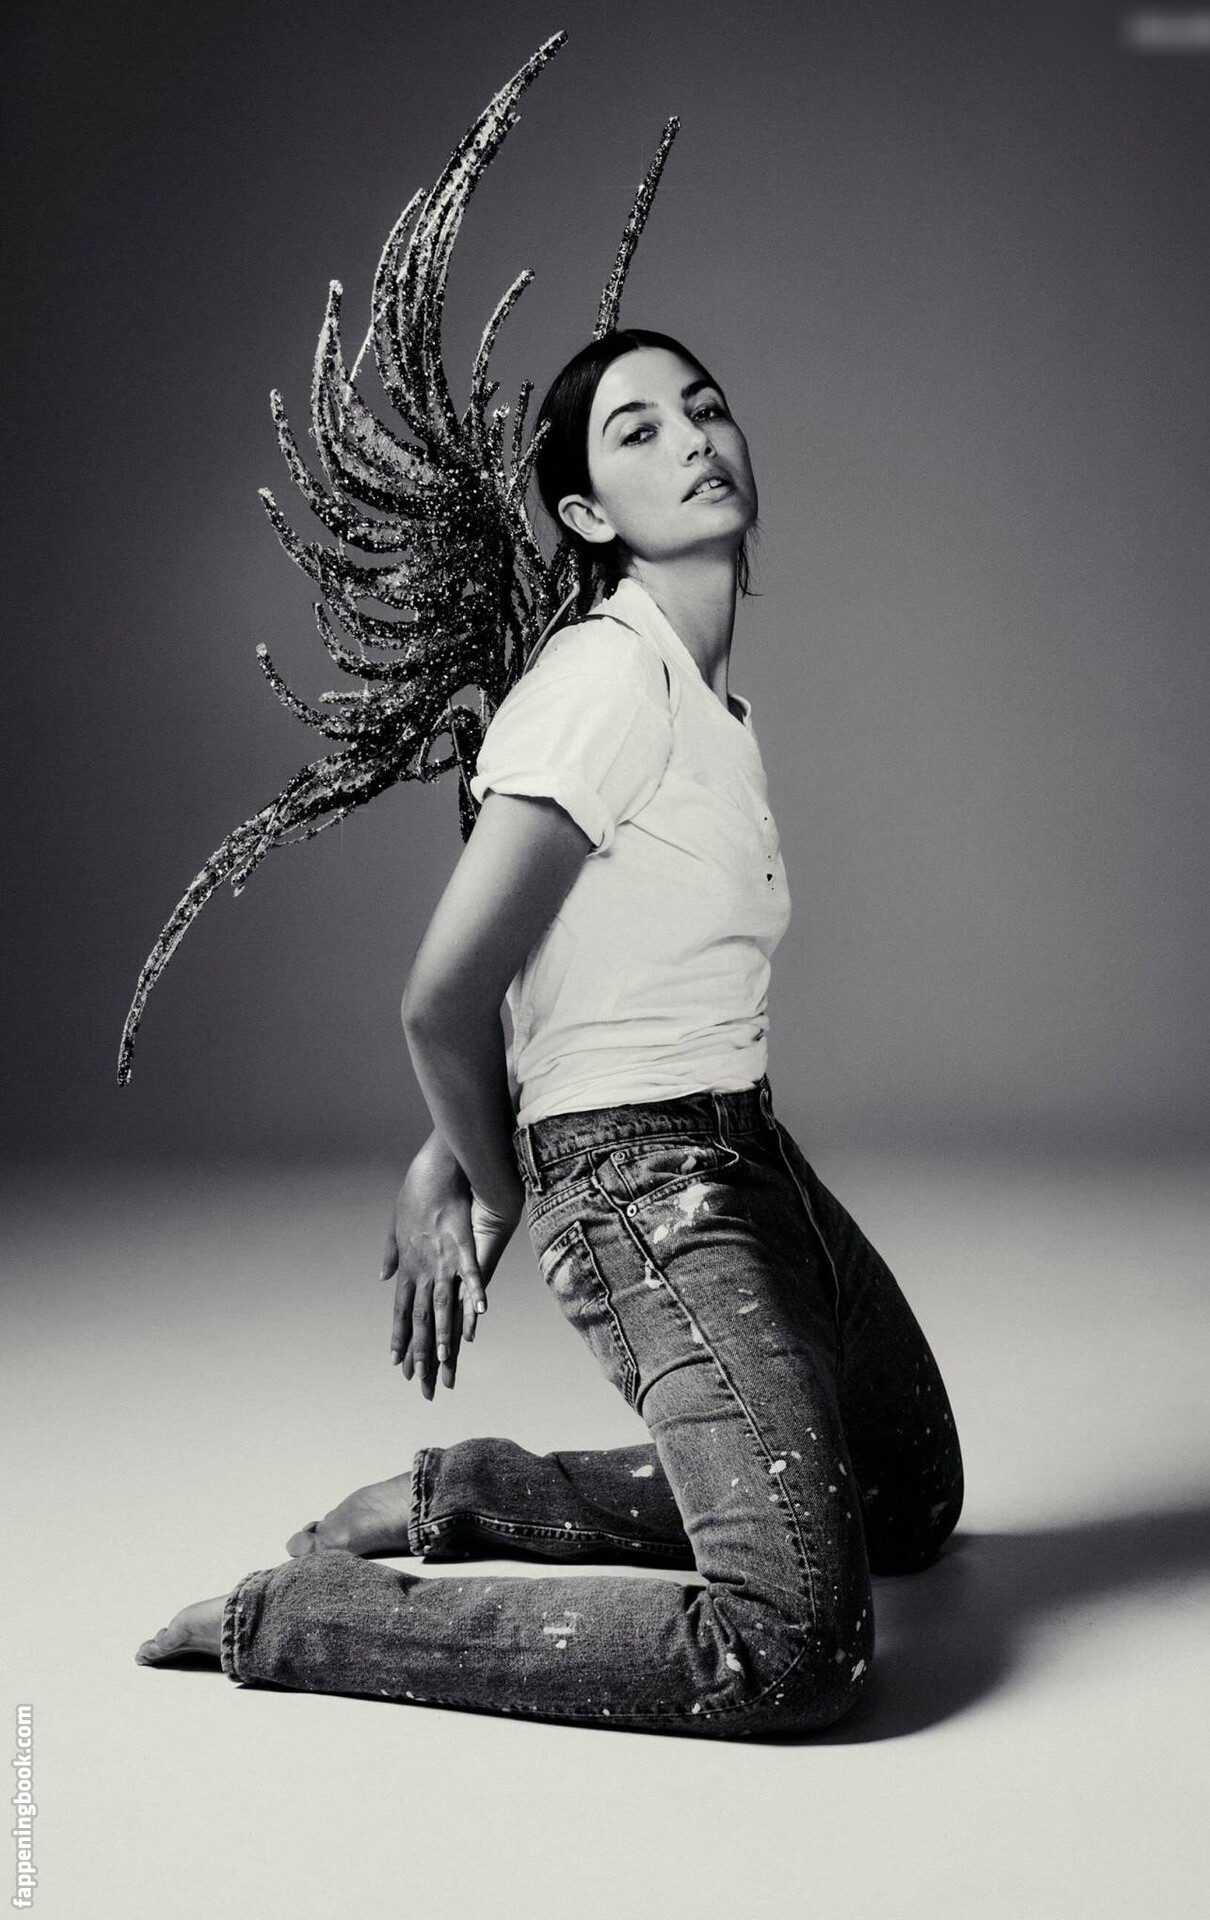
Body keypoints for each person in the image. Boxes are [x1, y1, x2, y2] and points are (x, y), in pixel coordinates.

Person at [136, 329, 964, 1739]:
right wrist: (498, 1175)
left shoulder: (705, 703)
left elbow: (575, 970)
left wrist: (445, 1145)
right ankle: (299, 1618)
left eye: (705, 408)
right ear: (585, 512)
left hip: (748, 1154)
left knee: (909, 1496)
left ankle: (460, 1496)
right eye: (638, 431)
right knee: (792, 1647)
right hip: (645, 1193)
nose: (692, 439)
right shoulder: (603, 684)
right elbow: (441, 996)